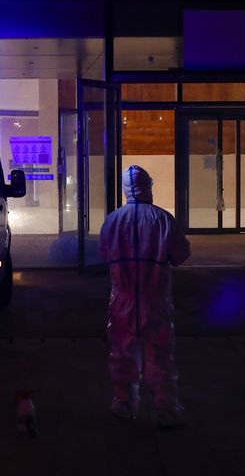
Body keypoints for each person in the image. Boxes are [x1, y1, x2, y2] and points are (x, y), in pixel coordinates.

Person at [99, 165, 191, 427]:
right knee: (160, 357)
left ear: (125, 190)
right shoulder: (164, 219)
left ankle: (125, 404)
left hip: (122, 300)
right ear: (148, 187)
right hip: (155, 300)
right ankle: (165, 410)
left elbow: (104, 254)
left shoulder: (112, 221)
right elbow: (180, 255)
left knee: (122, 356)